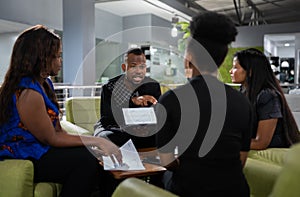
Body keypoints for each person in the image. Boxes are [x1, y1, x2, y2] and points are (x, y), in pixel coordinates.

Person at [0, 25, 121, 197]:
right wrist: (98, 141)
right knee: (85, 161)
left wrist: (92, 145)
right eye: (57, 56)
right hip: (24, 153)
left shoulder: (45, 83)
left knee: (93, 156)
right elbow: (51, 138)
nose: (60, 61)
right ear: (41, 58)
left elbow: (58, 130)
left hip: (40, 147)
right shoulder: (28, 93)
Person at [155, 11, 253, 197]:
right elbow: (241, 159)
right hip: (236, 191)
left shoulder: (170, 100)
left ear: (189, 57)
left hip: (190, 190)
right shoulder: (243, 102)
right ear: (222, 59)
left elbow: (166, 161)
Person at [230, 48, 300, 150]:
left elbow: (261, 143)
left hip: (274, 150)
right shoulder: (244, 92)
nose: (231, 71)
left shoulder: (267, 95)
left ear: (250, 71)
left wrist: (227, 143)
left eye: (235, 67)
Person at [94, 48, 161, 149]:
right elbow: (108, 119)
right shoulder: (109, 87)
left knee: (164, 133)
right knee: (107, 137)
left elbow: (158, 116)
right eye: (133, 67)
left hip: (144, 129)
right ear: (124, 67)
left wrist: (147, 128)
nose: (138, 71)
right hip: (117, 128)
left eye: (142, 67)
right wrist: (132, 101)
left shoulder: (152, 85)